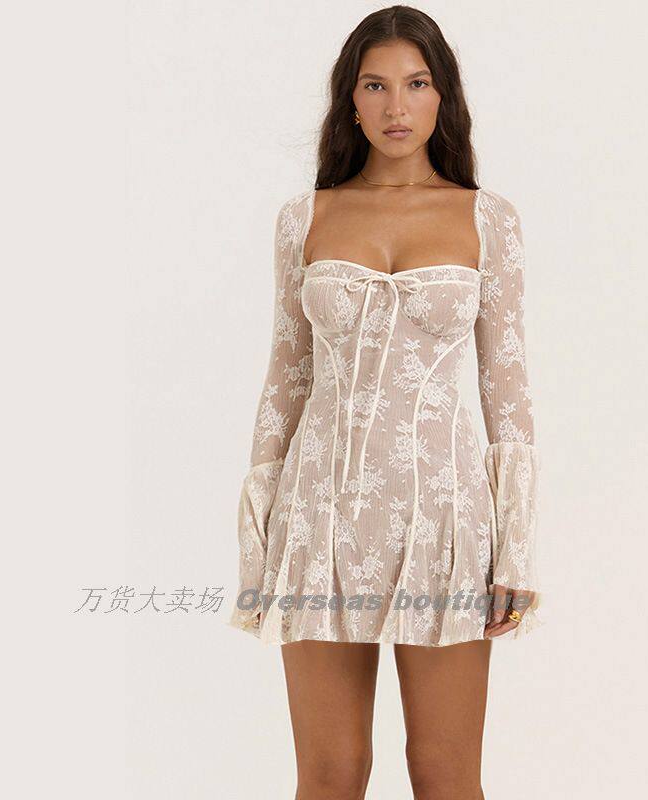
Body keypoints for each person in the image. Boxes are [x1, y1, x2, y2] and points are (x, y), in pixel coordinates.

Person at [229, 6, 543, 798]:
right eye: (375, 85)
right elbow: (286, 382)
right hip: (320, 519)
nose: (396, 106)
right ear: (351, 98)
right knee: (331, 775)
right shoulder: (305, 218)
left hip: (444, 524)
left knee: (444, 774)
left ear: (444, 96)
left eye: (416, 83)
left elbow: (506, 391)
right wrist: (258, 544)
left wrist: (516, 549)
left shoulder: (487, 219)